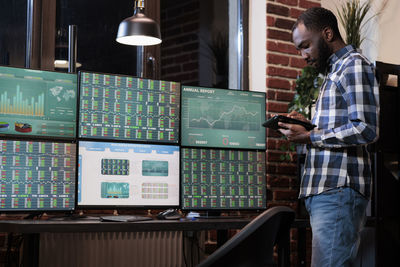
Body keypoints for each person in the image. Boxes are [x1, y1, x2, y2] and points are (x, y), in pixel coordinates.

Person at [277, 7, 380, 267]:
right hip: (327, 192)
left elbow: (367, 129)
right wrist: (307, 126)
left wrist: (311, 136)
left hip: (338, 191)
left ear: (327, 33)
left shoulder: (353, 65)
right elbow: (342, 126)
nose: (302, 55)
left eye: (305, 46)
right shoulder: (334, 71)